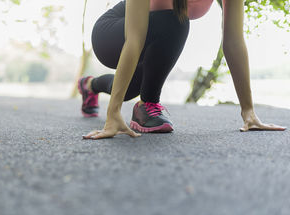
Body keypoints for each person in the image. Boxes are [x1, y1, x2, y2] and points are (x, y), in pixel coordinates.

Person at [78, 0, 286, 140]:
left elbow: (233, 41)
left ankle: (89, 85)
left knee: (128, 89)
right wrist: (112, 113)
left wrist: (248, 111)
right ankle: (149, 102)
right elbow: (134, 39)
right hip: (112, 34)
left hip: (153, 39)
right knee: (176, 20)